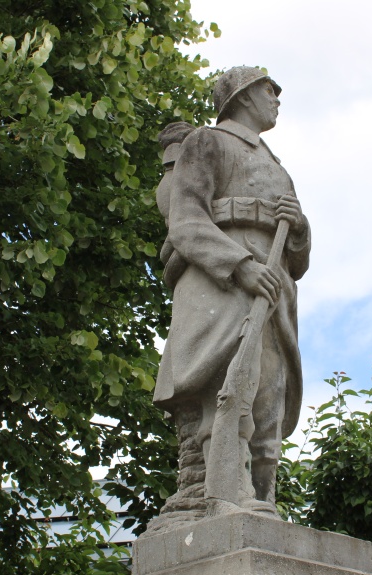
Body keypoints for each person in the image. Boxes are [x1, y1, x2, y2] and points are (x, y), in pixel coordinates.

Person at [150, 66, 310, 530]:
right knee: (227, 386)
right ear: (241, 97)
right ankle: (225, 491)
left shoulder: (277, 164)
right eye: (267, 88)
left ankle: (262, 499)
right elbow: (185, 220)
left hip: (275, 282)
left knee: (269, 396)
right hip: (224, 282)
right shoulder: (207, 143)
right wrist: (239, 266)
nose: (277, 96)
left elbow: (300, 258)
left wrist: (298, 227)